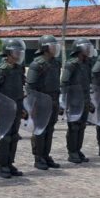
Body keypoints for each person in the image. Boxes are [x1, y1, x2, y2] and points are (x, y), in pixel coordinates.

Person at [0, 38, 26, 179]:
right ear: (8, 53)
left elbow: (21, 89)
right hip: (4, 109)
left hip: (17, 107)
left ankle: (10, 163)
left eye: (20, 52)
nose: (19, 54)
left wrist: (23, 107)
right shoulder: (1, 70)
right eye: (16, 51)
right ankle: (2, 165)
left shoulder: (19, 69)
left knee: (14, 136)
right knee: (4, 137)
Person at [26, 35, 62, 170]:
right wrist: (33, 105)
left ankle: (46, 155)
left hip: (53, 100)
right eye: (52, 46)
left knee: (50, 129)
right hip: (40, 101)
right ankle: (38, 157)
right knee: (40, 130)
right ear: (45, 48)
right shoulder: (37, 64)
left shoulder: (56, 63)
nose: (55, 48)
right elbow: (30, 87)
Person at [61, 37, 96, 163]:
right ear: (79, 49)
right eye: (86, 48)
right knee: (74, 127)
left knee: (81, 126)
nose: (88, 50)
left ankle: (78, 149)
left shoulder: (87, 63)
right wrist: (63, 102)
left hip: (84, 99)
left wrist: (89, 100)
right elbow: (64, 83)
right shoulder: (71, 64)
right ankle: (72, 152)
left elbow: (88, 83)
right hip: (74, 101)